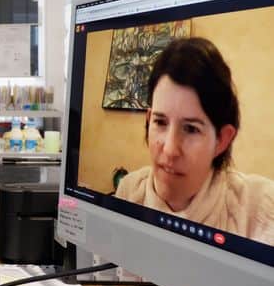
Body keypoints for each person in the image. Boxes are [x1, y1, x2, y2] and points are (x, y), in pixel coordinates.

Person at [115, 37, 274, 244]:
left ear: (222, 140)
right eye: (160, 122)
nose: (170, 149)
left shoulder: (258, 209)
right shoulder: (128, 191)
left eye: (191, 129)